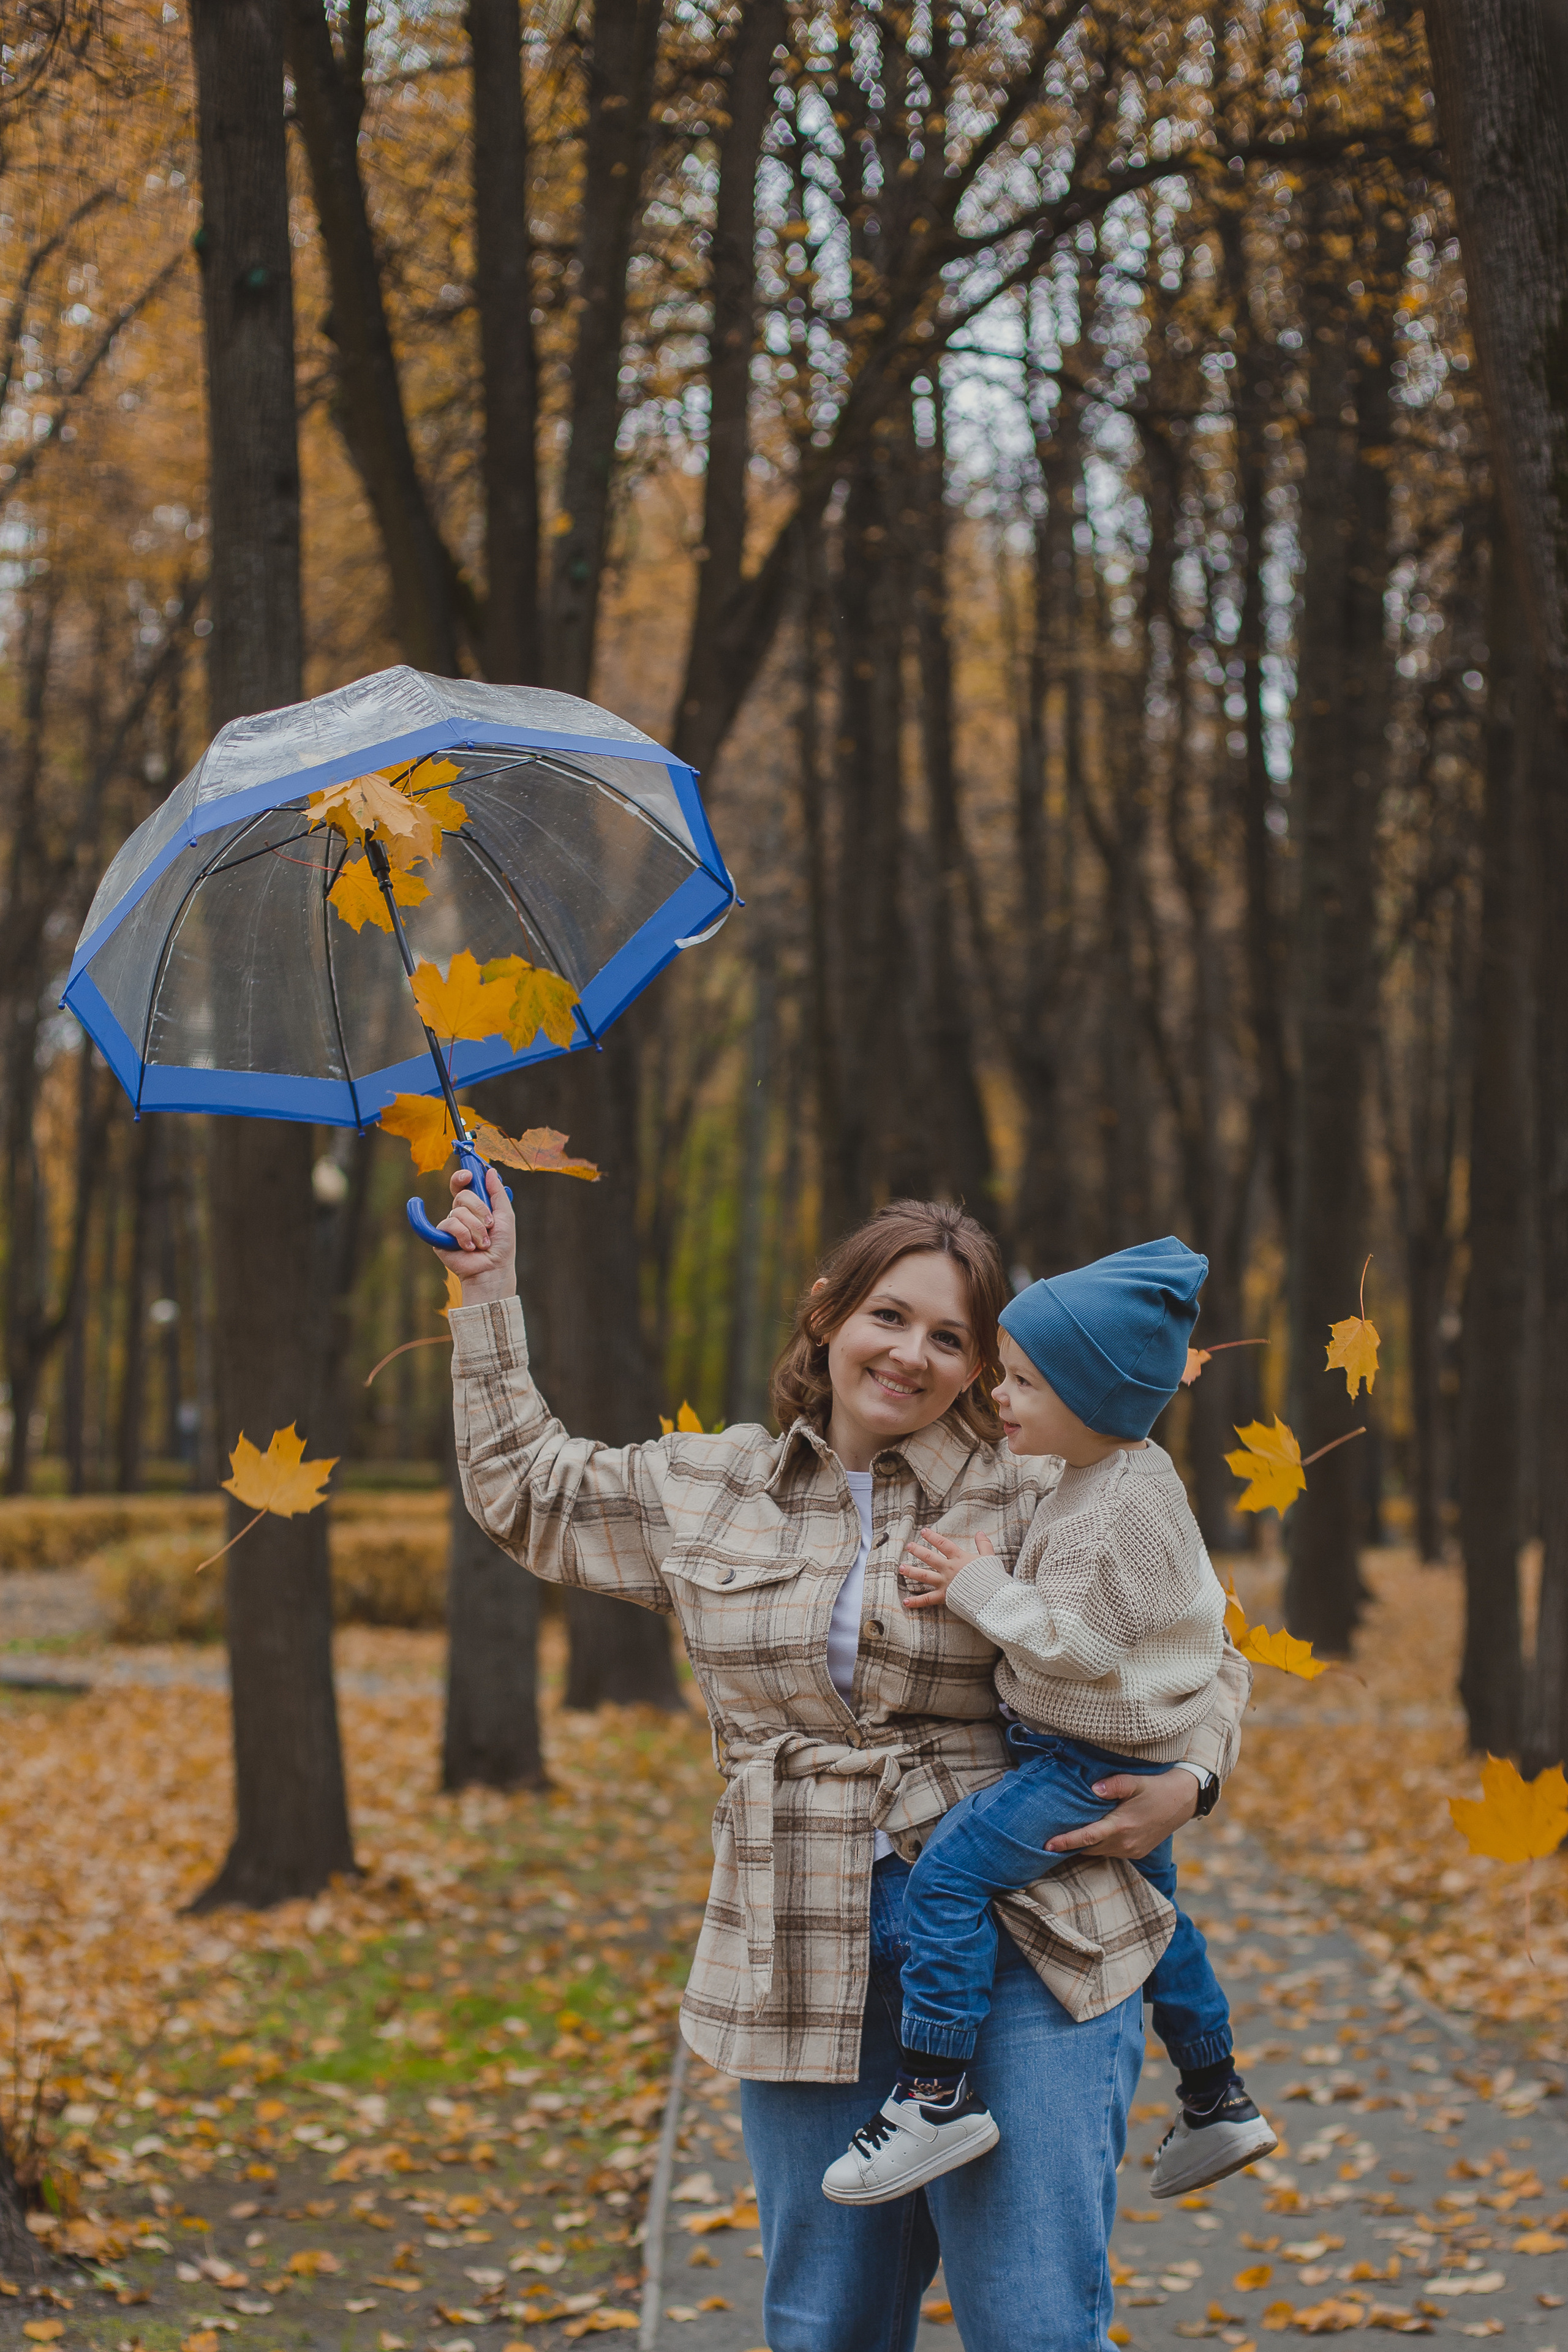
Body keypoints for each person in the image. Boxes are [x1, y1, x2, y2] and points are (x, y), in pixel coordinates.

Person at [434, 1174, 1250, 2352]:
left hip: (1030, 1939)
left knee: (1031, 2324)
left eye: (952, 1338)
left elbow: (1203, 1644)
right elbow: (528, 1491)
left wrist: (1193, 1782)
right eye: (890, 1315)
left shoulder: (1045, 1486)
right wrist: (489, 1291)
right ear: (828, 1314)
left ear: (982, 1368)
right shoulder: (709, 1486)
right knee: (830, 2327)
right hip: (805, 1948)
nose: (913, 1354)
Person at [822, 1240, 1275, 2212]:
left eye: (1024, 1382)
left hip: (1084, 1760)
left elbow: (1074, 1644)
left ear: (1094, 1397)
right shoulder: (1100, 1476)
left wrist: (973, 1582)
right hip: (1123, 1750)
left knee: (947, 1873)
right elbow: (1072, 1568)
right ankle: (1215, 2092)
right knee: (1158, 1927)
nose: (1002, 1397)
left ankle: (936, 2094)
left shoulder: (1121, 1513)